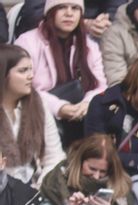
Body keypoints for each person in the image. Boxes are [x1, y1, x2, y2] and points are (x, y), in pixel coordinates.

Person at [16, 0, 108, 149]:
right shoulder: (27, 42)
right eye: (62, 7)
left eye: (75, 8)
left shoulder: (88, 44)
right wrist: (59, 108)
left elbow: (101, 85)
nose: (69, 14)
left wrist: (87, 103)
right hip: (39, 111)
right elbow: (22, 89)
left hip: (80, 113)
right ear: (50, 13)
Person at [0, 45, 65, 189]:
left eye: (31, 69)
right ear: (3, 73)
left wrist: (41, 187)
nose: (31, 75)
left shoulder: (37, 102)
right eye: (23, 71)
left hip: (35, 188)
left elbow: (54, 157)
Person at [14, 0, 121, 43]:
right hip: (46, 32)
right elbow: (34, 13)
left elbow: (117, 6)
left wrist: (105, 21)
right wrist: (81, 24)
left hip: (94, 34)